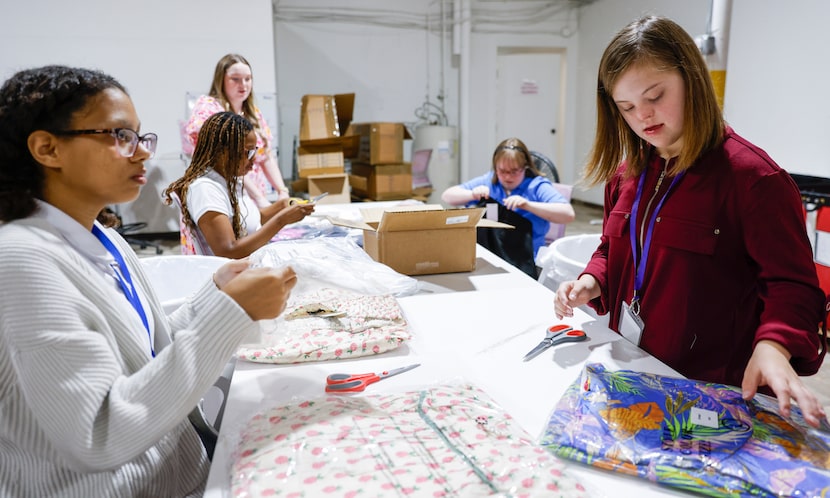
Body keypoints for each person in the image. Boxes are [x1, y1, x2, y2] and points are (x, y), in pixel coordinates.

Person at [0, 65, 298, 496]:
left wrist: (216, 296)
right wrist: (233, 314)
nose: (141, 152)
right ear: (48, 148)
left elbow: (149, 352)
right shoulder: (22, 262)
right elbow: (100, 433)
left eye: (141, 137)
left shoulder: (103, 239)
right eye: (119, 136)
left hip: (175, 475)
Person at [553, 16, 828, 428]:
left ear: (691, 78)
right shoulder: (626, 175)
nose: (643, 116)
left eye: (655, 96)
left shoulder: (754, 180)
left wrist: (774, 345)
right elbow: (613, 249)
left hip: (713, 391)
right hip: (634, 372)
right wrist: (593, 281)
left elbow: (794, 285)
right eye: (626, 108)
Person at [166, 111, 314, 259]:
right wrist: (281, 220)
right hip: (235, 275)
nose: (253, 159)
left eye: (254, 151)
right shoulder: (205, 189)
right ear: (222, 152)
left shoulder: (229, 180)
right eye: (247, 153)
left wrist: (282, 206)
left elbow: (250, 220)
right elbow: (228, 251)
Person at [442, 137, 575, 275]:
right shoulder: (490, 181)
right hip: (491, 255)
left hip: (526, 260)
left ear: (525, 167)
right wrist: (472, 194)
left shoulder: (536, 186)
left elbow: (568, 214)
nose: (507, 177)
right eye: (502, 171)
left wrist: (528, 205)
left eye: (514, 171)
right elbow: (448, 196)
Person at [185, 53, 288, 207]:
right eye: (236, 79)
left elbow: (266, 155)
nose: (244, 85)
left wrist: (282, 192)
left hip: (252, 197)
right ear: (222, 79)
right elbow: (227, 161)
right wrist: (258, 198)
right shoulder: (209, 108)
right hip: (222, 196)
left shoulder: (252, 113)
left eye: (248, 78)